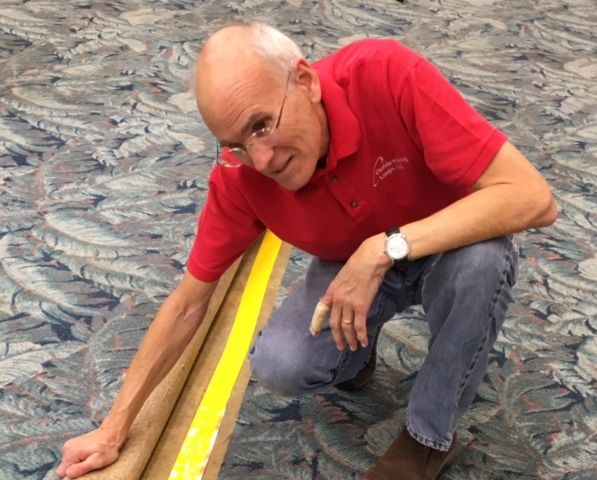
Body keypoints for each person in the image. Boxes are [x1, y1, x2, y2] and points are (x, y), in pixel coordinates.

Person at [56, 22, 557, 480]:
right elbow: (189, 302)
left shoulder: (386, 73)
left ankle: (427, 437)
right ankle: (358, 356)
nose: (262, 159)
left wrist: (385, 248)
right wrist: (114, 427)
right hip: (347, 264)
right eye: (234, 143)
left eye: (260, 126)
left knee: (484, 262)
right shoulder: (241, 175)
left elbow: (533, 197)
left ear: (305, 81)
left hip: (449, 239)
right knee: (280, 363)